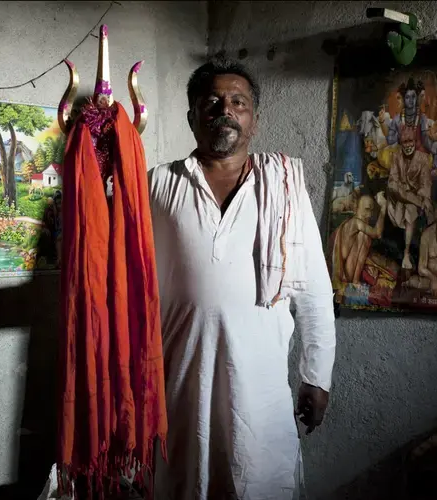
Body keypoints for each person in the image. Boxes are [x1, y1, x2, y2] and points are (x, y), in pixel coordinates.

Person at [148, 59, 336, 500]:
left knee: (258, 481)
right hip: (178, 384)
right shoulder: (158, 185)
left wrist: (317, 374)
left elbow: (314, 291)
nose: (225, 110)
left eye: (238, 102)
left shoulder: (284, 186)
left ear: (254, 119)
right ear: (192, 116)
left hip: (260, 391)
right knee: (181, 482)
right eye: (211, 102)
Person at [387, 127, 433, 271]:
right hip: (399, 196)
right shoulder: (396, 157)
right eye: (404, 142)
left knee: (410, 210)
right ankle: (417, 203)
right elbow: (392, 181)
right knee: (398, 192)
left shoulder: (423, 158)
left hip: (414, 197)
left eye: (410, 141)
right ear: (401, 143)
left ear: (415, 141)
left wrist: (419, 195)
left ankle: (406, 254)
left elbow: (425, 183)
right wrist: (404, 191)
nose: (407, 145)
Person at [330, 192, 387, 285]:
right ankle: (353, 281)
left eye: (371, 211)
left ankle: (355, 281)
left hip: (346, 272)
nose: (369, 215)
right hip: (338, 273)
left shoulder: (361, 231)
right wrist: (383, 208)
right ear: (356, 208)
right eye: (366, 209)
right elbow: (377, 233)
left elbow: (360, 258)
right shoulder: (355, 222)